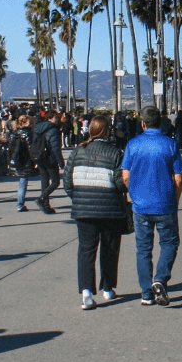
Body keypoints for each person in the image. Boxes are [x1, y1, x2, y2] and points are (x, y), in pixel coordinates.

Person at [121, 106, 182, 306]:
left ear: (142, 123)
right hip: (165, 203)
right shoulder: (170, 144)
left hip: (141, 205)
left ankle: (146, 292)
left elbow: (125, 176)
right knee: (169, 243)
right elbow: (178, 179)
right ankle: (160, 279)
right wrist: (175, 200)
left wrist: (135, 193)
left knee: (143, 248)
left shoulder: (133, 144)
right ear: (161, 122)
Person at [64, 115, 129, 311]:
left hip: (83, 211)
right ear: (108, 131)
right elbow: (120, 183)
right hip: (110, 209)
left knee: (86, 251)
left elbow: (68, 183)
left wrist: (79, 198)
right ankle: (108, 288)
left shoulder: (77, 152)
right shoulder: (115, 153)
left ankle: (86, 293)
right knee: (110, 249)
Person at [34, 111, 65, 214]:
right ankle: (42, 198)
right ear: (50, 119)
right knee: (56, 181)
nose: (58, 119)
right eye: (56, 118)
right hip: (50, 158)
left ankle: (46, 205)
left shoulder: (37, 128)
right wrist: (61, 162)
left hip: (40, 157)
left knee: (44, 181)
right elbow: (55, 148)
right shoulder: (53, 130)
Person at [9, 114, 39, 211]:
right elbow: (30, 148)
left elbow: (10, 148)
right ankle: (20, 204)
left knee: (22, 181)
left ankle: (20, 204)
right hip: (25, 160)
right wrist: (35, 160)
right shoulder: (27, 133)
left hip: (16, 159)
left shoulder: (14, 132)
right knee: (23, 182)